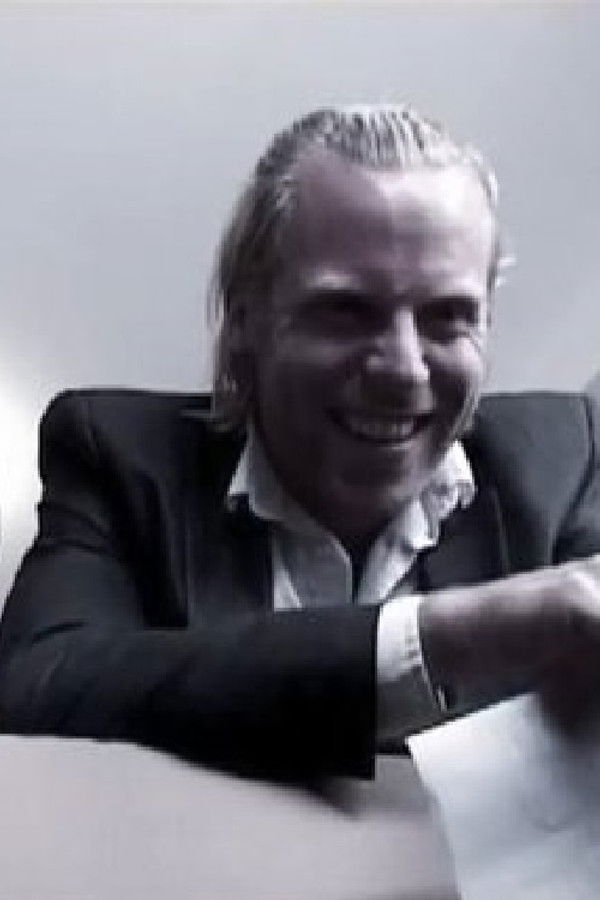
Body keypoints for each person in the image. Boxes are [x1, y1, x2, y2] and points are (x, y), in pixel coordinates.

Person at [1, 104, 600, 782]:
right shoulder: (117, 456)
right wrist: (444, 637)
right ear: (245, 320)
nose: (404, 370)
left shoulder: (566, 456)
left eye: (448, 318)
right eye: (346, 312)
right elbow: (33, 690)